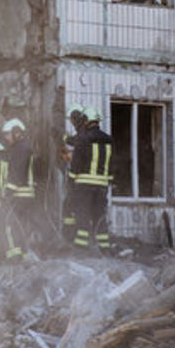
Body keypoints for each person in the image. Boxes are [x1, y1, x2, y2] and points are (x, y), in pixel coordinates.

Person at [68, 107, 113, 252]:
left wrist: (71, 180)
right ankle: (105, 247)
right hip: (101, 186)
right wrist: (109, 180)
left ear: (86, 121)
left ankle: (81, 247)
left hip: (84, 185)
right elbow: (113, 163)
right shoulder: (109, 140)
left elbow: (76, 164)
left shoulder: (83, 139)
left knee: (83, 213)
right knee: (99, 215)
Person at [0, 118, 37, 260]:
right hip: (26, 195)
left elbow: (17, 171)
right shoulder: (25, 147)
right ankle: (24, 255)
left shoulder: (20, 149)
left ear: (16, 133)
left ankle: (14, 256)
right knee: (22, 226)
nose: (6, 138)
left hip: (19, 194)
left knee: (9, 224)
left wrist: (8, 191)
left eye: (8, 134)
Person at [61, 105, 85, 244]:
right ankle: (71, 236)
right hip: (78, 178)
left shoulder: (82, 135)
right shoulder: (81, 133)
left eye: (73, 119)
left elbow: (75, 141)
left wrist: (63, 137)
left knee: (71, 206)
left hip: (78, 179)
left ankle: (71, 237)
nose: (73, 122)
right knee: (69, 205)